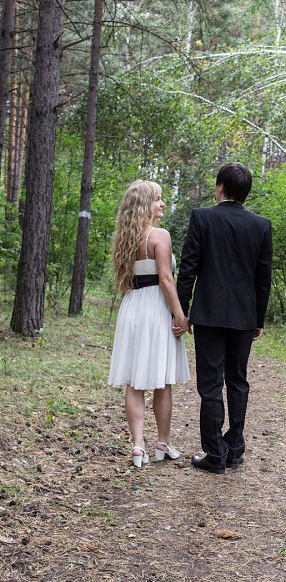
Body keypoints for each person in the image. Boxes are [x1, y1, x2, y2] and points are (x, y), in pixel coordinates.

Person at [176, 162, 272, 474]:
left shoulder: (202, 217)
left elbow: (188, 268)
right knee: (238, 380)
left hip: (209, 314)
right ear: (246, 192)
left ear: (219, 186)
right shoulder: (261, 225)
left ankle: (215, 453)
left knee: (211, 384)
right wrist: (258, 319)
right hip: (244, 316)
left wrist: (181, 310)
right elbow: (263, 279)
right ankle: (235, 448)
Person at [109, 180, 190, 467]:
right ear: (145, 204)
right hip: (156, 308)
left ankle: (137, 445)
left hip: (132, 307)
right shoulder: (159, 235)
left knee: (134, 380)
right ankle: (162, 442)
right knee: (161, 379)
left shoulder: (125, 238)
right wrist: (180, 315)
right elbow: (166, 279)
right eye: (157, 199)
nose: (162, 203)